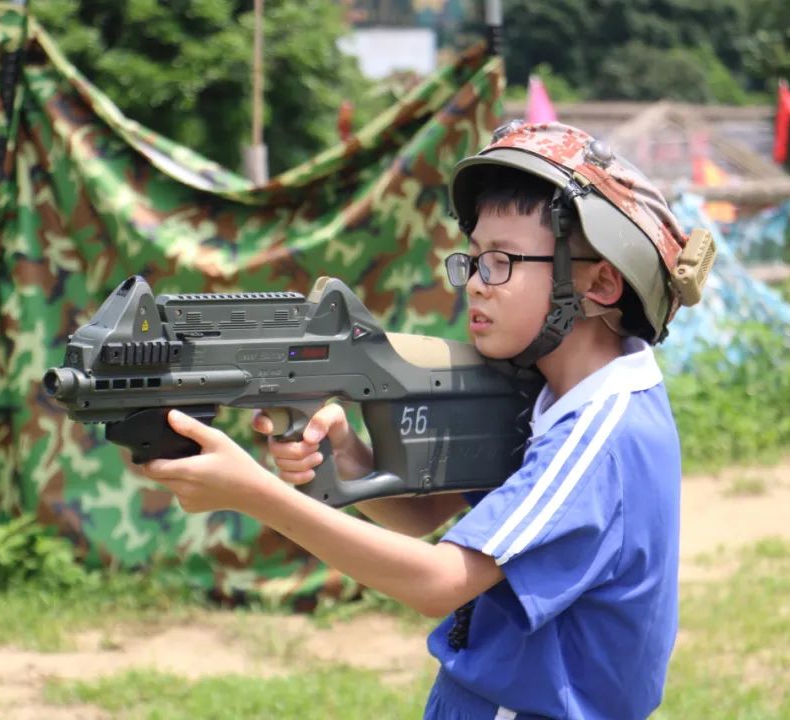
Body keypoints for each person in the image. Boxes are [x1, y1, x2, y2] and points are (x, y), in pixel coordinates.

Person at [139, 121, 713, 719]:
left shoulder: (597, 436)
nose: (476, 286)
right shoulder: (555, 395)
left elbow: (438, 581)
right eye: (473, 260)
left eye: (501, 262)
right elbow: (423, 516)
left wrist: (252, 494)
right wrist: (349, 453)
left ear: (598, 282)